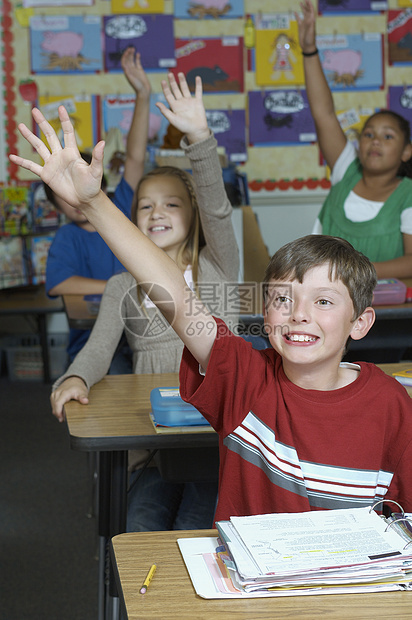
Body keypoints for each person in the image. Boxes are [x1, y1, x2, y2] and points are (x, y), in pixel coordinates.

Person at [11, 78, 412, 525]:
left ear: (361, 322)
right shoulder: (245, 379)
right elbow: (175, 297)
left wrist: (200, 139)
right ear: (264, 311)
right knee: (148, 521)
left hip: (356, 589)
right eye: (283, 298)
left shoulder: (392, 403)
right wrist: (94, 203)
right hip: (243, 570)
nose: (299, 312)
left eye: (323, 301)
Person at [48, 72, 240, 531]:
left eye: (172, 204)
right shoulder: (121, 285)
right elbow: (98, 349)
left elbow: (217, 206)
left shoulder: (218, 266)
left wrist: (199, 136)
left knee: (199, 528)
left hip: (216, 440)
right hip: (152, 442)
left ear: (192, 217)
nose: (156, 212)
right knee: (140, 527)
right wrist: (75, 376)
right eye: (146, 206)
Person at [45, 46, 151, 361]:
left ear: (100, 183)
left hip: (140, 340)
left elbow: (135, 157)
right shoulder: (68, 237)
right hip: (94, 347)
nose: (76, 200)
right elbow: (61, 283)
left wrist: (143, 96)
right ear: (57, 204)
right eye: (65, 195)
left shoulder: (121, 208)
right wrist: (118, 287)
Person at [297, 0, 412, 280]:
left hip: (384, 309)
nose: (374, 141)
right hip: (321, 299)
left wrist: (355, 273)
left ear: (406, 152)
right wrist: (309, 50)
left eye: (387, 136)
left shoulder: (408, 194)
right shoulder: (345, 169)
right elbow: (323, 113)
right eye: (368, 134)